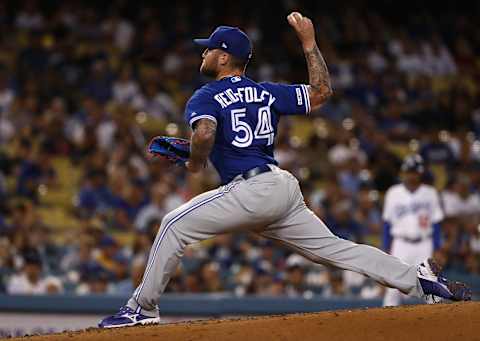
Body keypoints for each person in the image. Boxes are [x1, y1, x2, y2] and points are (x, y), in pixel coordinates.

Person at [99, 12, 471, 328]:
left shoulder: (206, 95)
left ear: (224, 58)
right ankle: (420, 280)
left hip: (251, 191)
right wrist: (309, 42)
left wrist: (195, 160)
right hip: (281, 189)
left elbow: (207, 131)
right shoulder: (266, 91)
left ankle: (140, 309)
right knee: (338, 250)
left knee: (172, 225)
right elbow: (321, 92)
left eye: (210, 47)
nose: (205, 51)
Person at [382, 154, 444, 306]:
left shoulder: (430, 193)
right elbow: (387, 223)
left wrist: (437, 248)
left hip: (424, 243)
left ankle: (438, 322)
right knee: (393, 286)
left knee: (430, 284)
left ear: (420, 173)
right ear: (403, 173)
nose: (411, 175)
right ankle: (385, 324)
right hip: (400, 244)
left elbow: (436, 223)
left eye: (414, 172)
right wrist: (386, 247)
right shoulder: (393, 193)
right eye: (408, 172)